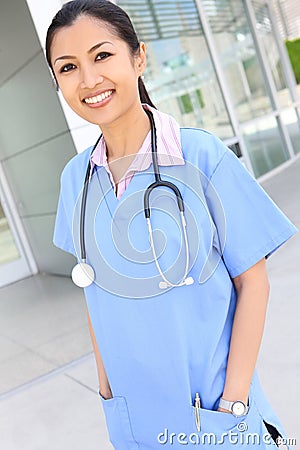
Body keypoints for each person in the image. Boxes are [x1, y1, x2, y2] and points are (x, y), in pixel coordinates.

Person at [46, 1, 297, 448]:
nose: (88, 80)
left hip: (214, 415)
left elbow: (253, 283)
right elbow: (95, 294)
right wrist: (107, 389)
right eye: (68, 67)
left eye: (102, 56)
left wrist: (233, 404)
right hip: (133, 419)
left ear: (138, 58)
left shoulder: (202, 157)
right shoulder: (74, 181)